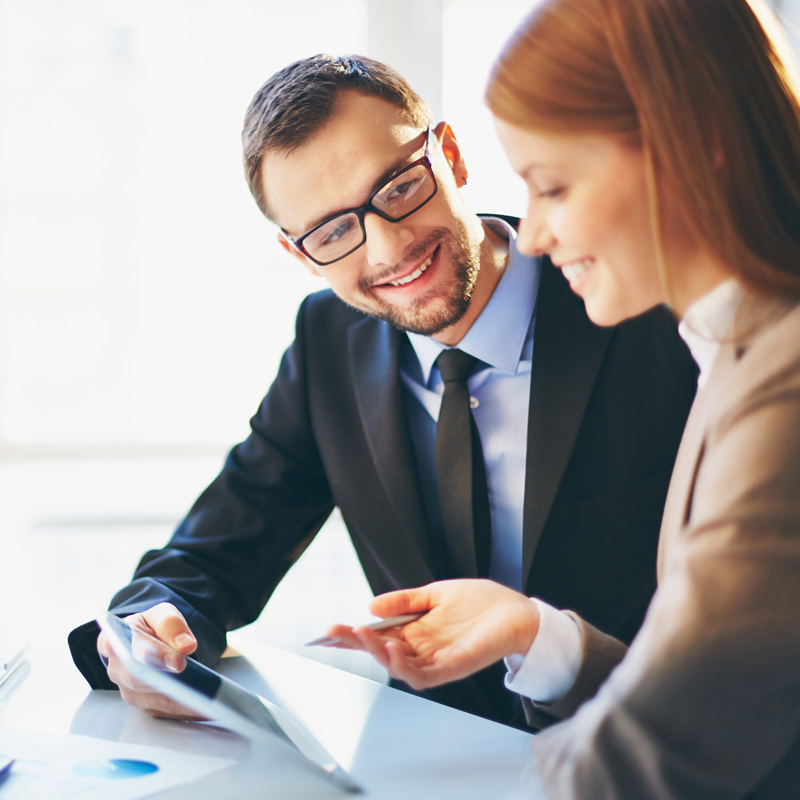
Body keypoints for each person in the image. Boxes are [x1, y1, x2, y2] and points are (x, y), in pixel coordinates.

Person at [68, 54, 697, 728]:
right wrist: (151, 628)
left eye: (398, 187)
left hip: (657, 751)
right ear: (301, 255)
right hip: (432, 769)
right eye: (334, 231)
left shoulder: (646, 309)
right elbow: (217, 550)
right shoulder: (327, 343)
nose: (388, 248)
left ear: (449, 156)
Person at [328, 0, 800, 795]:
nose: (534, 234)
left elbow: (669, 751)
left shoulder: (778, 383)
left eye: (551, 187)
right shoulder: (734, 353)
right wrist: (539, 635)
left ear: (698, 149)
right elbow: (722, 691)